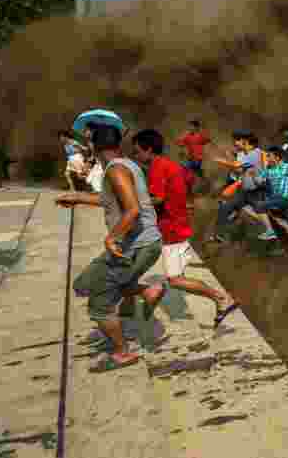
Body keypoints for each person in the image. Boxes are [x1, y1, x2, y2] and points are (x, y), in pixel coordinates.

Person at [56, 124, 165, 372]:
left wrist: (111, 237)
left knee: (100, 304)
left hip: (137, 246)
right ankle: (148, 291)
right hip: (136, 245)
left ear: (95, 146)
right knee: (84, 284)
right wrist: (78, 197)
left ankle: (122, 353)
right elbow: (113, 201)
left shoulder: (116, 170)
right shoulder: (126, 165)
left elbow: (133, 210)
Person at [132, 130, 239, 327]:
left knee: (175, 280)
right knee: (174, 277)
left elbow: (157, 198)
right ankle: (222, 299)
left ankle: (222, 298)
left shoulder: (157, 167)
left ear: (148, 149)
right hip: (178, 224)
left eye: (137, 152)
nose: (136, 156)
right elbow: (189, 180)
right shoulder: (172, 164)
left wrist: (133, 201)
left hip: (171, 229)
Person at [176, 120, 212, 184]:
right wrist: (181, 142)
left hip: (198, 158)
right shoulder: (188, 136)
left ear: (196, 128)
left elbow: (208, 139)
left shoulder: (200, 135)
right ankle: (203, 179)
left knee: (188, 169)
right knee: (195, 170)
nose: (190, 128)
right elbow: (179, 142)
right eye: (189, 127)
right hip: (191, 158)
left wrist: (204, 131)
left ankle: (190, 182)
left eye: (191, 126)